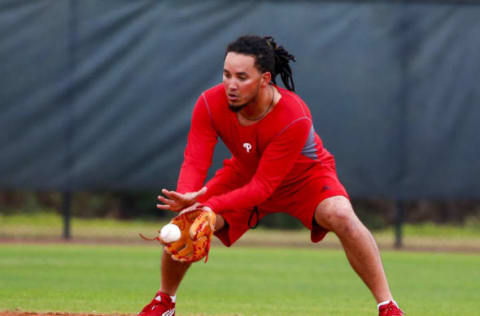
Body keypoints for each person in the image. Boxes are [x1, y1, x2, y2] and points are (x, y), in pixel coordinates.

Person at [138, 35, 403, 316]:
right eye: (226, 75)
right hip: (245, 172)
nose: (231, 85)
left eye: (242, 77)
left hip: (305, 177)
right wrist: (189, 199)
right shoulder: (209, 103)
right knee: (187, 222)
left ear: (265, 79)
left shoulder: (293, 115)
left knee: (341, 214)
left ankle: (388, 306)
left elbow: (264, 187)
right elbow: (195, 159)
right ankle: (164, 302)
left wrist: (211, 207)